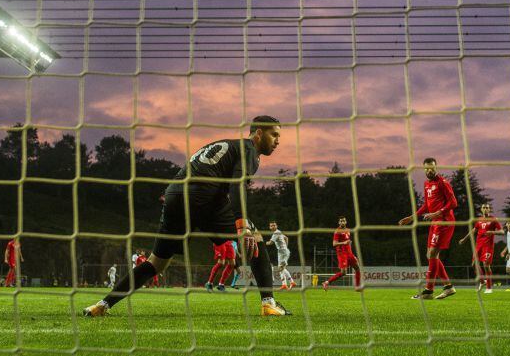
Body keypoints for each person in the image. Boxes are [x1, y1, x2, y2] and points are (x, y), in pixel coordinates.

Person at [83, 115, 290, 317]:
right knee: (256, 239)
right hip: (203, 195)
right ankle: (268, 303)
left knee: (156, 263)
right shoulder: (249, 150)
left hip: (175, 195)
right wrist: (242, 224)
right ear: (259, 133)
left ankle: (103, 304)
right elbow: (238, 184)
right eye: (274, 135)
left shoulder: (227, 145)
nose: (277, 141)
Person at [398, 158, 458, 300]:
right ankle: (448, 287)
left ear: (436, 168)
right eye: (426, 168)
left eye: (431, 168)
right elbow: (426, 205)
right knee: (430, 255)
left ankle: (428, 291)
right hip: (435, 222)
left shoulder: (443, 183)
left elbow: (453, 202)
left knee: (432, 254)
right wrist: (412, 217)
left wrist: (437, 213)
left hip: (444, 221)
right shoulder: (426, 184)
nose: (429, 170)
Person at [459, 203, 504, 293]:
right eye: (484, 207)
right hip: (478, 245)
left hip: (488, 246)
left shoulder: (494, 219)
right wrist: (464, 239)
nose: (485, 209)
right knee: (473, 264)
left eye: (487, 208)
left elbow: (502, 231)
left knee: (486, 265)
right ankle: (482, 281)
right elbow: (473, 230)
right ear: (481, 209)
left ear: (489, 209)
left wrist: (492, 232)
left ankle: (489, 287)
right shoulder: (479, 220)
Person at [322, 216, 361, 291]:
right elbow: (334, 244)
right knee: (343, 273)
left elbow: (348, 242)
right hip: (342, 254)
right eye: (341, 221)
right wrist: (344, 242)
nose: (342, 222)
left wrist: (351, 252)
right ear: (339, 222)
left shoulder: (348, 230)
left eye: (343, 221)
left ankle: (357, 287)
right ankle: (326, 282)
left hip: (349, 254)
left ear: (346, 222)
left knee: (357, 268)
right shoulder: (337, 231)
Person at [267, 221, 296, 290]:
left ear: (276, 226)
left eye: (274, 225)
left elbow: (271, 243)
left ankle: (287, 284)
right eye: (271, 226)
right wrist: (285, 247)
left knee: (280, 268)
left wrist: (265, 243)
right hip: (283, 252)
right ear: (270, 227)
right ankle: (289, 283)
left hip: (282, 252)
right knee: (282, 268)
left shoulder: (276, 233)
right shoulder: (279, 232)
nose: (273, 226)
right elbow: (286, 238)